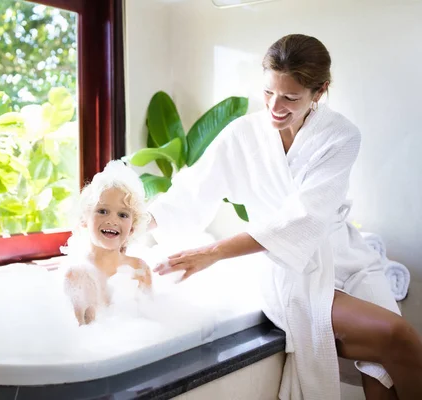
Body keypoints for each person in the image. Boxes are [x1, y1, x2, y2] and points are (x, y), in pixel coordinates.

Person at [148, 34, 422, 400]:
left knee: (389, 360)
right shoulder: (242, 134)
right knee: (396, 336)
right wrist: (129, 223)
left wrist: (213, 253)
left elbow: (304, 217)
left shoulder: (341, 136)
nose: (275, 106)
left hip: (350, 258)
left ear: (319, 92)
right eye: (268, 93)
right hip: (289, 268)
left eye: (290, 97)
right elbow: (190, 193)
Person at [63, 160, 152, 325]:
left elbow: (149, 323)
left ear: (132, 227)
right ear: (84, 219)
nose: (112, 220)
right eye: (102, 211)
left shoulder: (140, 269)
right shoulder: (76, 275)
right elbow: (79, 334)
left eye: (123, 215)